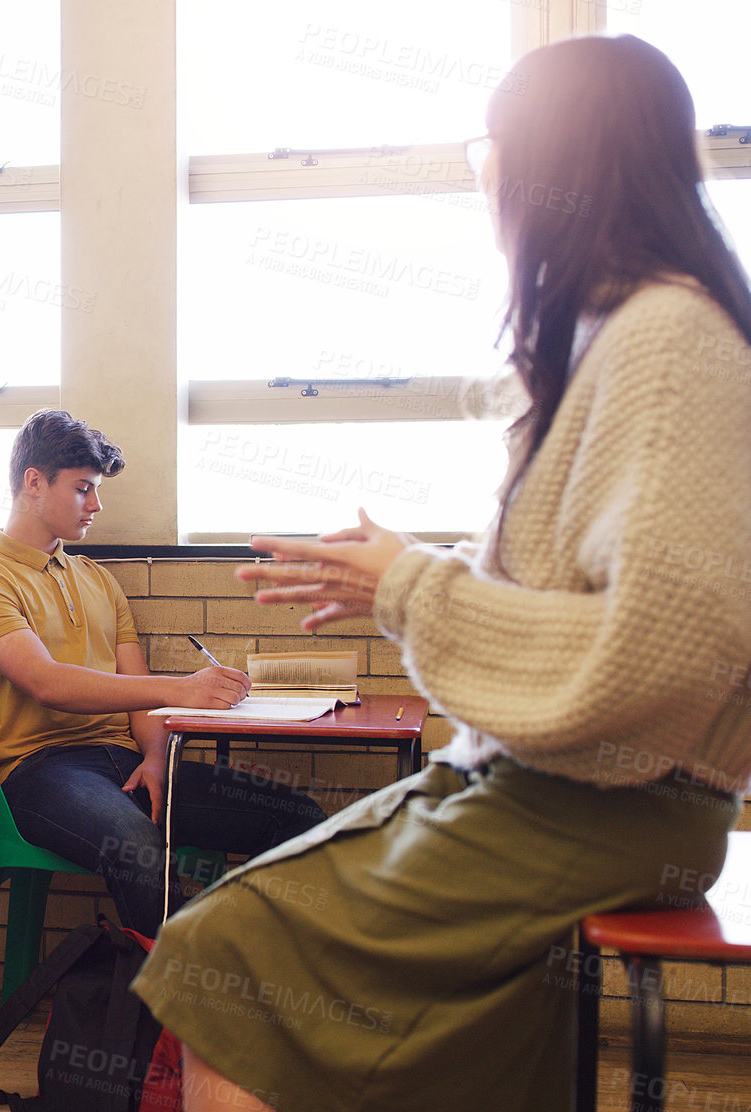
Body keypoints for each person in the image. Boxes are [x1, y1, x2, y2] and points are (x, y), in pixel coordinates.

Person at [135, 36, 751, 1112]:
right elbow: (582, 597)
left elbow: (659, 654)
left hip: (603, 804)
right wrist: (405, 576)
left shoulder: (666, 340)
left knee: (219, 956)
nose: (493, 184)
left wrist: (410, 586)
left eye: (492, 153)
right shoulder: (624, 332)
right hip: (560, 792)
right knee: (406, 1011)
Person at [0, 409, 326, 936]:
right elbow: (48, 683)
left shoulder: (98, 581)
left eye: (96, 490)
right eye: (83, 489)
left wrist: (154, 756)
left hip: (122, 761)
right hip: (39, 772)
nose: (96, 505)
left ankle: (259, 972)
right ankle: (176, 1006)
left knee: (297, 816)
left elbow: (137, 696)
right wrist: (183, 689)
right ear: (34, 482)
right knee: (138, 848)